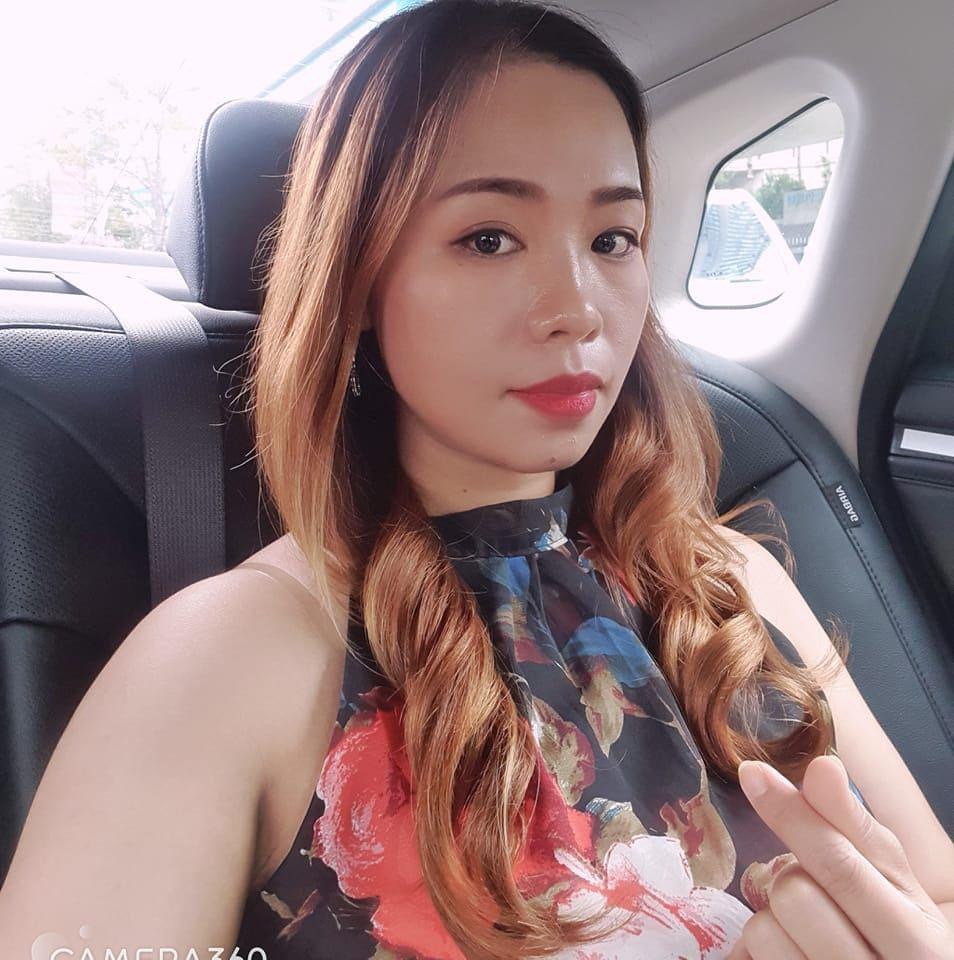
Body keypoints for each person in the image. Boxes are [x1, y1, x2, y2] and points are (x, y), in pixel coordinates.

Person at [3, 2, 954, 959]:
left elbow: (937, 894)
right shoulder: (230, 657)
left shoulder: (733, 579)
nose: (578, 307)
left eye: (613, 238)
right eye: (489, 237)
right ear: (360, 277)